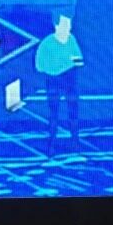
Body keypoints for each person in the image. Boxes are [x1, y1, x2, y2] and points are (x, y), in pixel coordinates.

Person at [34, 12, 84, 152]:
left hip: (70, 81)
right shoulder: (47, 43)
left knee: (73, 112)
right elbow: (39, 66)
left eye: (69, 25)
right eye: (65, 25)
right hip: (53, 81)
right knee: (53, 113)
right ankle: (51, 144)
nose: (68, 28)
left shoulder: (71, 40)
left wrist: (67, 65)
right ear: (56, 26)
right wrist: (58, 67)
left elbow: (79, 60)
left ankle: (75, 142)